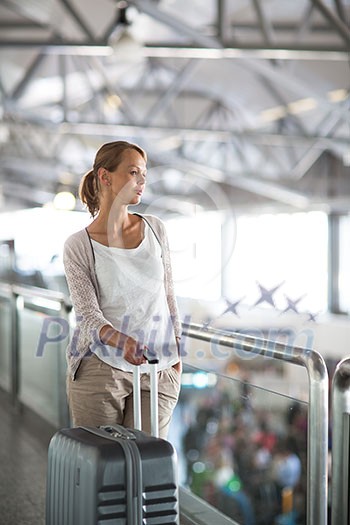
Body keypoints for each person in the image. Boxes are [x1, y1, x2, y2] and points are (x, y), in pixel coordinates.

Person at [63, 140, 182, 439]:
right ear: (105, 176)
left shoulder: (155, 228)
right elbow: (88, 316)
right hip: (100, 369)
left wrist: (177, 350)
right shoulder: (79, 245)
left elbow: (168, 296)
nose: (142, 181)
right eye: (133, 172)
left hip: (158, 367)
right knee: (104, 469)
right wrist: (121, 341)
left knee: (148, 466)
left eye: (144, 173)